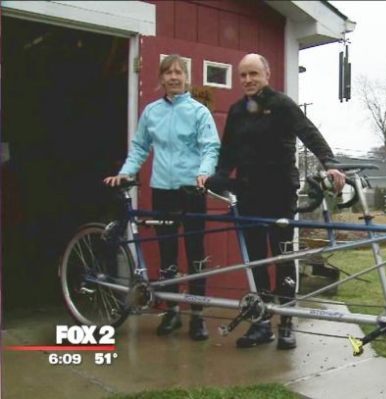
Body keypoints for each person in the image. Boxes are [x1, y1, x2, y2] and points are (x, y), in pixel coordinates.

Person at [208, 53, 345, 350]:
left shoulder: (281, 104)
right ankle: (261, 323)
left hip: (280, 192)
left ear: (267, 74)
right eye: (243, 75)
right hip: (248, 193)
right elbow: (227, 153)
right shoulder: (236, 111)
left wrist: (329, 163)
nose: (248, 80)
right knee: (257, 259)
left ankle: (285, 323)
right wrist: (216, 177)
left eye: (253, 74)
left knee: (282, 258)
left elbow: (309, 132)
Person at [104, 54, 220, 341]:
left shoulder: (199, 112)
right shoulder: (151, 112)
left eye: (179, 72)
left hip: (192, 191)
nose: (173, 77)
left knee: (195, 253)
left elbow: (210, 147)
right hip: (162, 191)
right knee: (167, 252)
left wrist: (204, 173)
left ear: (187, 78)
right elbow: (140, 147)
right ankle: (171, 312)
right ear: (161, 79)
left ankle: (197, 316)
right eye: (168, 73)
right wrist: (125, 172)